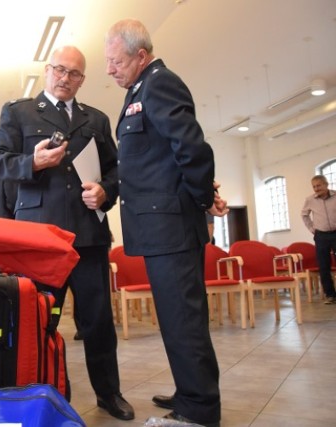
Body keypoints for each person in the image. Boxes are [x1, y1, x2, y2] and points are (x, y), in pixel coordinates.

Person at [0, 45, 134, 421]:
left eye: (74, 74)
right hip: (41, 238)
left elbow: (117, 172)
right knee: (38, 321)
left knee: (98, 321)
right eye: (60, 70)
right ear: (47, 70)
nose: (65, 78)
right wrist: (32, 162)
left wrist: (106, 190)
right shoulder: (18, 112)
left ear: (83, 79)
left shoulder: (96, 119)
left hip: (89, 236)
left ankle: (109, 394)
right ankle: (39, 393)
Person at [105, 19, 228, 427]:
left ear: (141, 56)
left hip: (171, 226)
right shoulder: (141, 88)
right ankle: (189, 389)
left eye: (116, 61)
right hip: (160, 228)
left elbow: (192, 147)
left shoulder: (159, 83)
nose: (110, 70)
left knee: (184, 321)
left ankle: (198, 409)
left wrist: (202, 201)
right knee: (176, 319)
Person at [301, 174, 336, 304]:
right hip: (321, 236)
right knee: (324, 266)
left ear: (326, 184)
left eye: (319, 185)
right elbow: (304, 215)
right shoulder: (310, 200)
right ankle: (330, 295)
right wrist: (312, 229)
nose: (316, 189)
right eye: (314, 186)